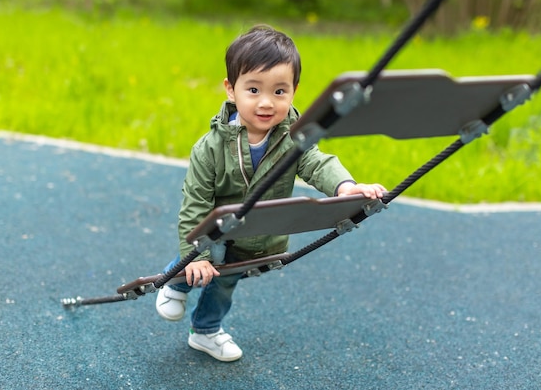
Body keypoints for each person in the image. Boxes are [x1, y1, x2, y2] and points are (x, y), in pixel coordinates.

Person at [156, 25, 386, 362]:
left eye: (280, 91)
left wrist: (348, 188)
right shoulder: (210, 148)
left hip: (256, 235)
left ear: (294, 91)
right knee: (210, 259)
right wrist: (199, 256)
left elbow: (317, 164)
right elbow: (195, 205)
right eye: (253, 89)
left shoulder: (295, 137)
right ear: (231, 90)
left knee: (224, 284)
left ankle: (205, 332)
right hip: (215, 231)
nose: (266, 103)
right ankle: (175, 283)